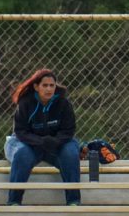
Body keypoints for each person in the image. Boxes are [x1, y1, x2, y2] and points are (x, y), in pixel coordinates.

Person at [6, 68, 81, 207]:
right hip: (27, 144)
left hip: (55, 145)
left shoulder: (63, 104)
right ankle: (14, 202)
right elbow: (21, 131)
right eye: (44, 85)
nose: (49, 89)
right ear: (36, 87)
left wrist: (55, 141)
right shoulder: (25, 103)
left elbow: (68, 130)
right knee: (22, 154)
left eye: (51, 85)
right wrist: (40, 141)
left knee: (70, 152)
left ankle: (73, 201)